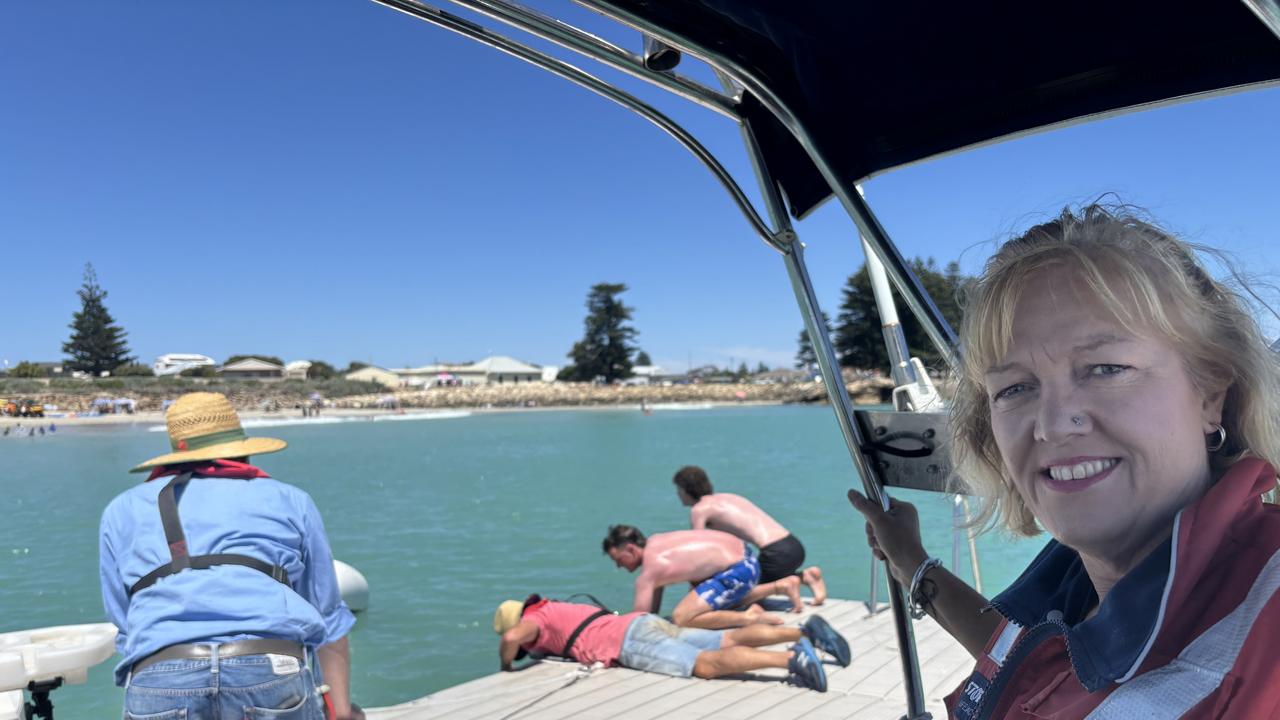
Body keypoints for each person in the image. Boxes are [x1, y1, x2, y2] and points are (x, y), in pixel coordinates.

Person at [847, 204, 1280, 718]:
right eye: (1014, 388)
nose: (1051, 425)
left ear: (1210, 393)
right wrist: (913, 564)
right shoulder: (1076, 582)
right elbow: (1032, 664)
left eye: (1105, 367)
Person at [99, 392, 363, 720]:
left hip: (160, 676)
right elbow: (328, 617)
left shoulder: (120, 510)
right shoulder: (290, 500)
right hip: (269, 670)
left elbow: (124, 620)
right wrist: (342, 712)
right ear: (243, 451)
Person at [493, 594, 851, 692]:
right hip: (641, 622)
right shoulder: (557, 607)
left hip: (629, 641)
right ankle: (804, 633)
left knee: (705, 664)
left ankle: (791, 659)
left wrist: (508, 666)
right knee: (725, 638)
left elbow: (512, 638)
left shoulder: (533, 620)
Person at [674, 465, 827, 610]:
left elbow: (699, 551)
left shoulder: (699, 509)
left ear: (686, 490)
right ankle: (805, 576)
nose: (678, 495)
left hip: (775, 554)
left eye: (679, 490)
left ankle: (786, 584)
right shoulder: (728, 497)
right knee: (749, 583)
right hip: (793, 545)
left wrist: (693, 590)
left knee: (732, 598)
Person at [602, 524, 784, 628]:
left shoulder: (650, 572)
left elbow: (637, 621)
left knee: (682, 618)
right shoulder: (657, 541)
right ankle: (779, 586)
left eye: (618, 560)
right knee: (698, 596)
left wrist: (611, 622)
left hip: (738, 571)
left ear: (631, 549)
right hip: (749, 560)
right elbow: (651, 613)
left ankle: (750, 617)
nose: (618, 566)